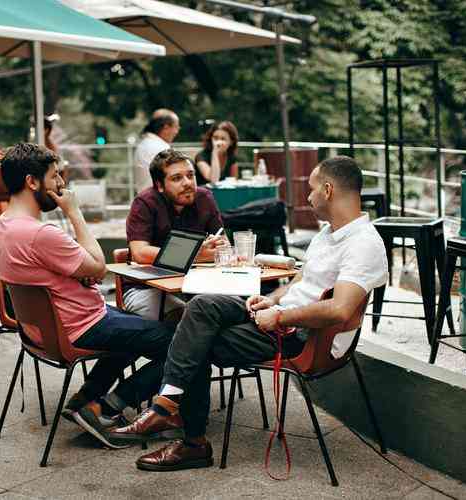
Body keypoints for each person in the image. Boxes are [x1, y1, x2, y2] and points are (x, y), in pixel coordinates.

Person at [110, 156, 388, 472]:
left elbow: (339, 310)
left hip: (299, 337)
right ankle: (167, 404)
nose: (307, 198)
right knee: (202, 305)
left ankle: (191, 441)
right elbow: (300, 282)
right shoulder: (328, 234)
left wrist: (281, 318)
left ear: (327, 190)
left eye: (310, 190)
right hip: (280, 318)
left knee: (196, 338)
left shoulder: (363, 243)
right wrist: (271, 300)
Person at [0, 142, 177, 450]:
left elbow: (81, 270)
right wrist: (75, 213)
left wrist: (84, 271)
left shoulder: (2, 227)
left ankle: (85, 397)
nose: (62, 184)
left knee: (136, 326)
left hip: (50, 330)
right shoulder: (41, 234)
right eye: (55, 176)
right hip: (82, 325)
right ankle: (105, 409)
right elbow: (98, 266)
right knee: (180, 342)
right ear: (32, 182)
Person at [124, 148, 226, 321]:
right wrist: (194, 254)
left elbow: (223, 248)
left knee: (232, 310)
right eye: (177, 178)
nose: (187, 182)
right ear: (160, 185)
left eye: (190, 175)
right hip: (148, 288)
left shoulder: (205, 197)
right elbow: (140, 253)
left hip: (196, 285)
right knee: (186, 319)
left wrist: (203, 253)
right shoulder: (144, 203)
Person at [134, 109, 180, 191]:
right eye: (176, 127)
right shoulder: (161, 148)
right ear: (166, 128)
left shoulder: (145, 143)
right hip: (157, 200)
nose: (177, 132)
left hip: (145, 197)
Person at [194, 121, 239, 185]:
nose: (218, 142)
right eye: (215, 138)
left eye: (223, 139)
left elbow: (234, 182)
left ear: (231, 142)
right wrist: (215, 153)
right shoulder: (201, 156)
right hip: (204, 193)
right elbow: (213, 180)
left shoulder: (231, 157)